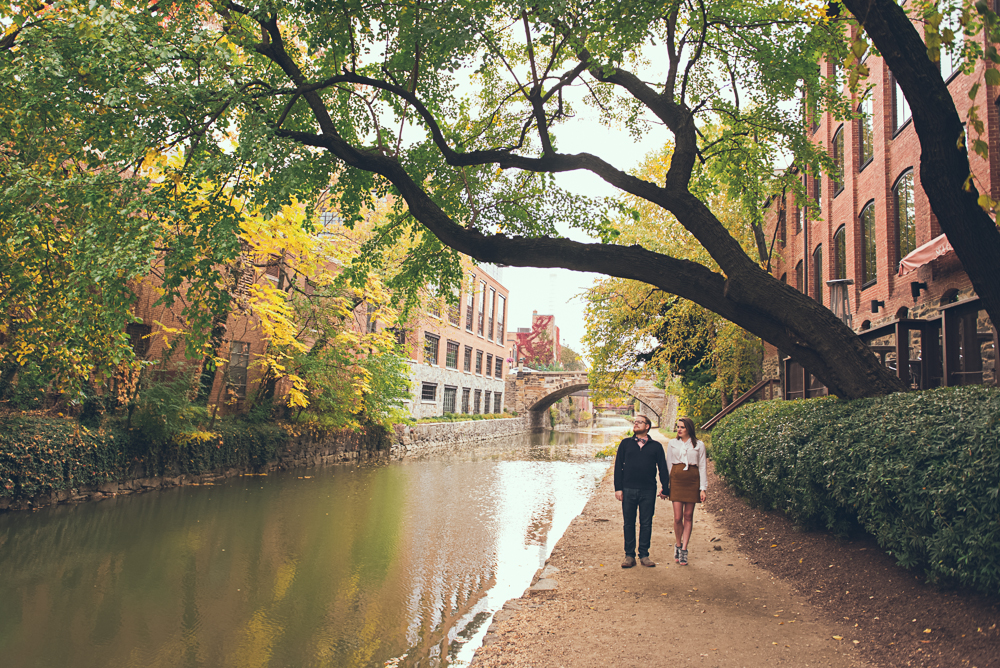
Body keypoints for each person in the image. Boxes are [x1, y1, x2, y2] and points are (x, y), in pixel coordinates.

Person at [613, 414, 670, 568]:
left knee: (646, 523)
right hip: (628, 489)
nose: (636, 424)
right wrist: (618, 488)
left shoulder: (656, 446)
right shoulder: (625, 444)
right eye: (635, 422)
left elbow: (663, 469)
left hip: (648, 490)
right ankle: (629, 555)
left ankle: (644, 555)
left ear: (647, 426)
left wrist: (666, 487)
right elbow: (618, 467)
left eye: (640, 422)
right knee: (628, 523)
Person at [666, 416, 707, 566]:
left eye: (682, 427)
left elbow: (702, 467)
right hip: (676, 479)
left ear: (689, 428)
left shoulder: (699, 445)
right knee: (678, 517)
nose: (679, 429)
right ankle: (677, 544)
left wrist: (703, 488)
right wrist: (666, 486)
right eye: (678, 427)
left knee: (688, 515)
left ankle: (684, 549)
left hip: (692, 480)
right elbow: (668, 464)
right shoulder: (672, 443)